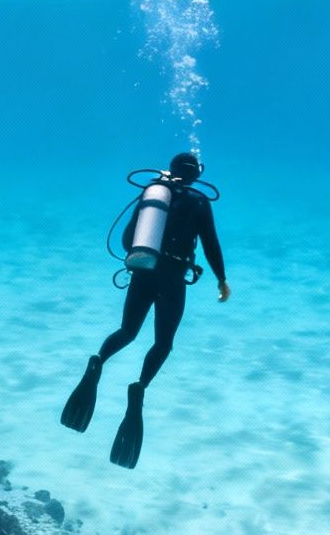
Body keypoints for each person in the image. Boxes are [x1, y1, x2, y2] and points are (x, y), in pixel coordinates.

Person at [60, 151, 230, 469]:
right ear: (196, 175)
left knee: (128, 331)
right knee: (163, 343)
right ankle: (139, 388)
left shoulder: (152, 194)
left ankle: (98, 363)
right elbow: (211, 244)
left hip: (144, 273)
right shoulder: (200, 202)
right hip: (173, 279)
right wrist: (221, 279)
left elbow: (127, 240)